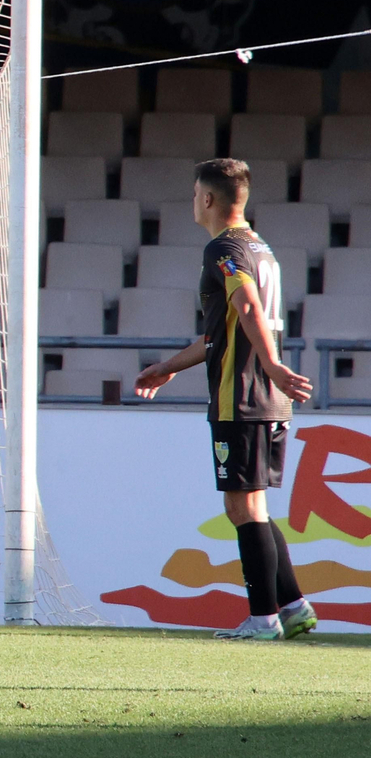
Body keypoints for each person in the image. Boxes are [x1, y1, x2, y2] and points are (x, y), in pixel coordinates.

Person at [134, 158, 316, 641]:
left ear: (209, 198)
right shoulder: (260, 247)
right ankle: (293, 605)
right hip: (266, 396)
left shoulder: (224, 247)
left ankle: (263, 620)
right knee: (253, 505)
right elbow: (223, 330)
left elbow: (247, 305)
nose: (193, 201)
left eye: (195, 193)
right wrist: (168, 365)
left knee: (241, 507)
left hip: (244, 394)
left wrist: (274, 365)